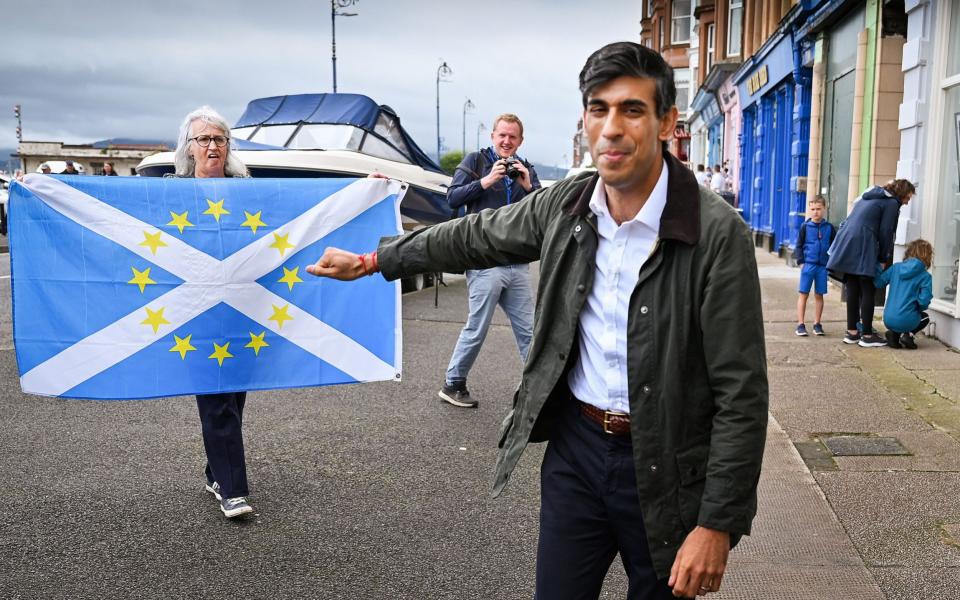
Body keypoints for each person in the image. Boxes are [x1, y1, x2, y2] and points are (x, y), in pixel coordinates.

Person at [307, 41, 768, 600]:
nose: (612, 128)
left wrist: (716, 524)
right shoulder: (566, 205)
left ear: (667, 122)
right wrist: (377, 260)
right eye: (599, 109)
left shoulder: (716, 234)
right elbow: (476, 235)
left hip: (668, 467)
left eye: (632, 110)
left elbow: (741, 393)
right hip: (577, 452)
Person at [171, 105, 254, 519]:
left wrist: (366, 188)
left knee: (233, 395)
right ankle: (233, 490)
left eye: (219, 139)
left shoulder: (246, 191)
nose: (212, 146)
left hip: (240, 311)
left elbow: (303, 201)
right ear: (188, 147)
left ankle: (216, 470)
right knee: (217, 398)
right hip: (195, 313)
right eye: (203, 139)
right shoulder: (172, 193)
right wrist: (39, 188)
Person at [439, 113, 540, 408]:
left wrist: (528, 187)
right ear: (493, 136)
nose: (507, 141)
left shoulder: (527, 169)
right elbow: (452, 198)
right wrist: (486, 181)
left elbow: (544, 211)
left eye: (513, 137)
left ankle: (536, 389)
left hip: (517, 262)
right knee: (477, 327)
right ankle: (453, 383)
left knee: (529, 330)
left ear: (520, 141)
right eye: (502, 135)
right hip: (485, 261)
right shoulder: (475, 162)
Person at [826, 179, 915, 347]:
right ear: (902, 193)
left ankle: (852, 332)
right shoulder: (891, 203)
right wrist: (883, 258)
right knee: (868, 288)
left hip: (847, 240)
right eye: (908, 197)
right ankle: (867, 335)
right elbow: (886, 232)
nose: (908, 201)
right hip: (864, 244)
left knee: (852, 287)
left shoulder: (870, 196)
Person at [874, 239, 933, 350]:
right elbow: (924, 301)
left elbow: (879, 283)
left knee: (903, 317)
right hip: (907, 320)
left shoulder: (896, 267)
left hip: (888, 319)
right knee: (925, 318)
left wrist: (877, 266)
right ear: (927, 256)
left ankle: (894, 335)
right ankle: (908, 335)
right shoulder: (925, 276)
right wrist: (919, 308)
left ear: (909, 252)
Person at [793, 196, 836, 336]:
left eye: (818, 209)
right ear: (809, 209)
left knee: (819, 295)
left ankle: (817, 324)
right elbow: (799, 245)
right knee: (803, 294)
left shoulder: (829, 228)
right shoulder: (805, 227)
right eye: (812, 209)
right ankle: (800, 324)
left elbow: (834, 246)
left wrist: (831, 264)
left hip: (822, 267)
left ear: (824, 209)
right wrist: (801, 262)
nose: (815, 212)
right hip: (808, 265)